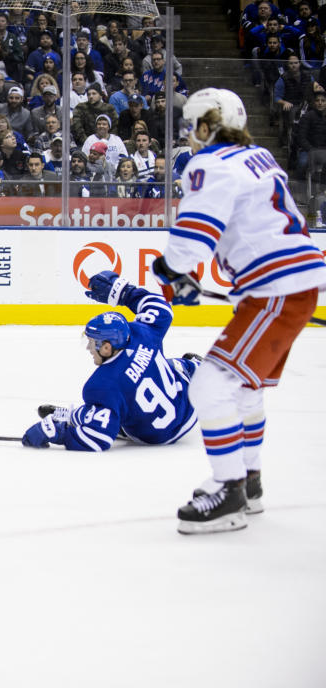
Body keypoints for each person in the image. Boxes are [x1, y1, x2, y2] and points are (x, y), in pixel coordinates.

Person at [151, 88, 326, 534]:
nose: (190, 136)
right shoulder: (258, 156)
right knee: (245, 389)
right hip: (289, 284)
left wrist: (172, 269)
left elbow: (196, 230)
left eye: (192, 126)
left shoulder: (210, 163)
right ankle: (249, 481)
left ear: (208, 125)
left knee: (209, 387)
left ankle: (230, 490)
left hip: (276, 289)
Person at [23, 271, 200, 452]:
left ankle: (85, 415)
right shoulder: (143, 333)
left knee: (115, 403)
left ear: (107, 348)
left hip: (154, 435)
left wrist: (58, 433)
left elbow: (97, 439)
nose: (89, 349)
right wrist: (124, 292)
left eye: (92, 343)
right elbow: (160, 306)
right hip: (190, 405)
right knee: (183, 364)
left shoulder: (103, 385)